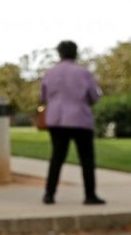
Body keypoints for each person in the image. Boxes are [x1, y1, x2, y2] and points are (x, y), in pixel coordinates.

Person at [41, 40, 105, 205]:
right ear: (76, 53)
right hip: (79, 119)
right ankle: (90, 195)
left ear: (59, 53)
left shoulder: (50, 73)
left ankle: (49, 194)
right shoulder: (83, 73)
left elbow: (43, 96)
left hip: (56, 120)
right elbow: (94, 96)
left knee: (57, 157)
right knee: (86, 159)